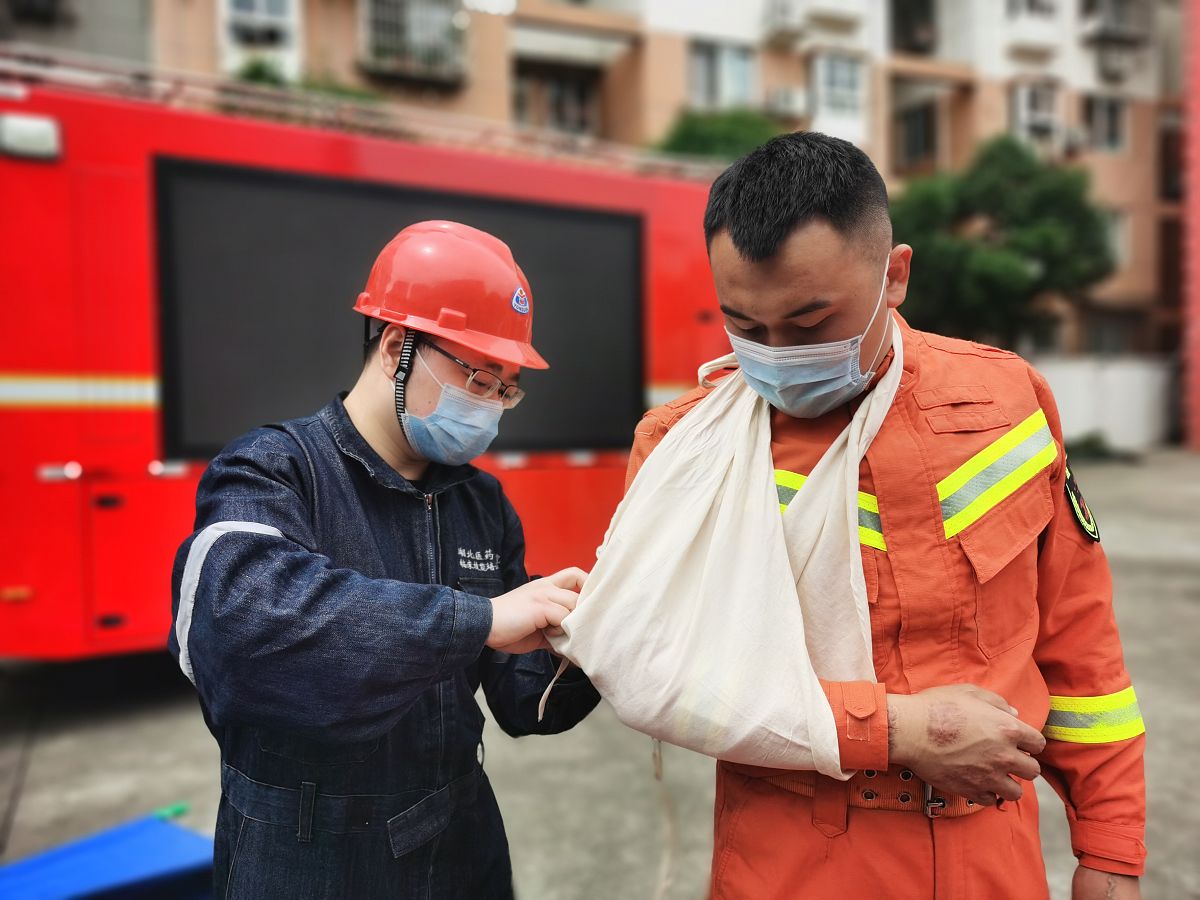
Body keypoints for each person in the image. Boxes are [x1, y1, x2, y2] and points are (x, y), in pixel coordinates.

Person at [626, 134, 1145, 899]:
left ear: (893, 275)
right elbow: (663, 673)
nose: (775, 356)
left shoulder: (1006, 405)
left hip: (993, 855)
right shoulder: (683, 450)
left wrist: (1109, 847)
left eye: (808, 323)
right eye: (744, 325)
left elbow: (1079, 647)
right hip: (797, 863)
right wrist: (899, 732)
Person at [168, 220, 600, 899]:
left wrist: (595, 633)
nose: (490, 407)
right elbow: (248, 635)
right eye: (480, 378)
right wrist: (477, 618)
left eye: (506, 387)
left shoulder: (478, 500)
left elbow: (525, 702)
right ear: (397, 345)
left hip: (461, 839)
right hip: (307, 851)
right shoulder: (273, 471)